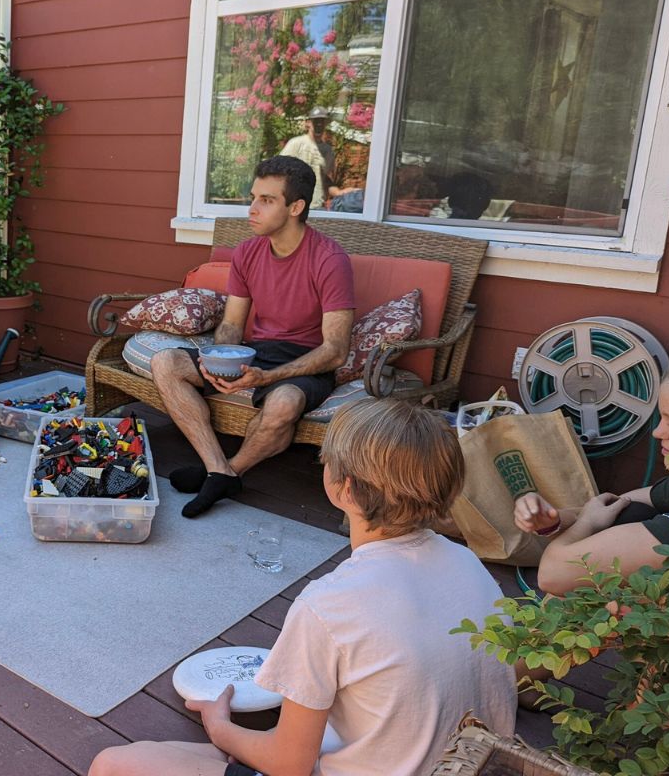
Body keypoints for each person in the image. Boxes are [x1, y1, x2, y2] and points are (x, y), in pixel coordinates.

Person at [88, 399, 516, 776]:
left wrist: (220, 727)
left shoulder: (329, 604)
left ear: (342, 487)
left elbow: (288, 766)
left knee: (113, 763)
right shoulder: (467, 562)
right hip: (461, 763)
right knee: (168, 754)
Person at [151, 155, 354, 518]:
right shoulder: (247, 252)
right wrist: (218, 361)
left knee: (283, 405)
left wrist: (270, 377)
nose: (252, 209)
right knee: (166, 362)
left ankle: (229, 472)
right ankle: (217, 467)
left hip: (304, 363)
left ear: (296, 207)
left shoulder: (329, 259)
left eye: (267, 200)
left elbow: (336, 351)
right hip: (256, 352)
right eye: (253, 197)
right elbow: (232, 324)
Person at [515, 353, 669, 595]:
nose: (658, 433)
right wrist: (552, 521)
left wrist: (586, 523)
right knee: (630, 512)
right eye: (662, 419)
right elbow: (614, 506)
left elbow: (553, 574)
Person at [280, 108, 361, 211]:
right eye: (316, 121)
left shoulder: (328, 151)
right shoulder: (296, 144)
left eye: (322, 122)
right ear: (308, 123)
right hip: (294, 205)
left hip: (316, 207)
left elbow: (324, 180)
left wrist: (339, 193)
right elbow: (279, 172)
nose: (319, 125)